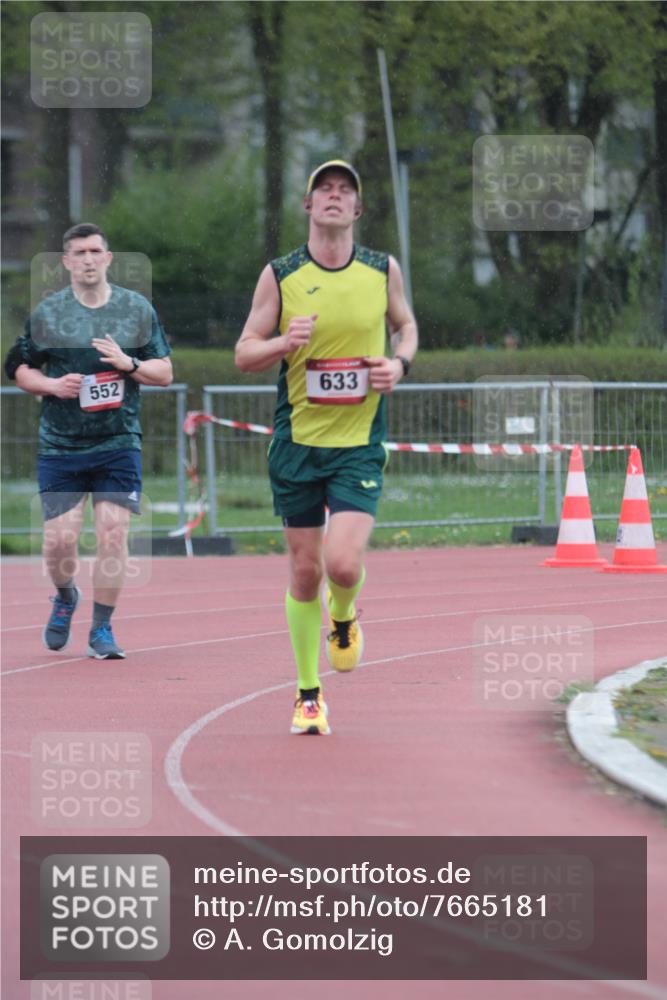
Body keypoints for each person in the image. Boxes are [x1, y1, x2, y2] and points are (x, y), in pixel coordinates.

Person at [235, 159, 418, 734]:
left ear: (358, 209)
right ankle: (308, 693)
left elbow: (406, 326)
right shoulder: (281, 274)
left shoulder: (381, 268)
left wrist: (398, 363)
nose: (334, 197)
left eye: (345, 191)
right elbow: (243, 353)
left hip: (359, 443)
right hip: (297, 442)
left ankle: (345, 615)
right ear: (309, 207)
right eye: (324, 190)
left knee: (342, 565)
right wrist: (283, 342)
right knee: (305, 570)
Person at [4, 222, 173, 659]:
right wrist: (50, 386)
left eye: (95, 251)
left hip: (118, 442)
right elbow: (18, 368)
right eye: (79, 253)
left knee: (114, 534)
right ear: (66, 262)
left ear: (108, 258)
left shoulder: (136, 310)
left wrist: (128, 363)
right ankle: (64, 597)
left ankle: (102, 630)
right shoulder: (49, 314)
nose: (88, 259)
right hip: (61, 446)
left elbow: (165, 373)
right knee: (59, 541)